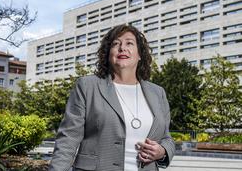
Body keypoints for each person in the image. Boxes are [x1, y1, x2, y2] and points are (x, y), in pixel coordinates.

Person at [49, 24, 175, 171]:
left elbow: (166, 137)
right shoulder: (87, 86)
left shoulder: (158, 93)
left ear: (140, 54)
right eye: (116, 44)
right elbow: (68, 139)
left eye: (129, 43)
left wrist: (162, 151)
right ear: (108, 53)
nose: (122, 48)